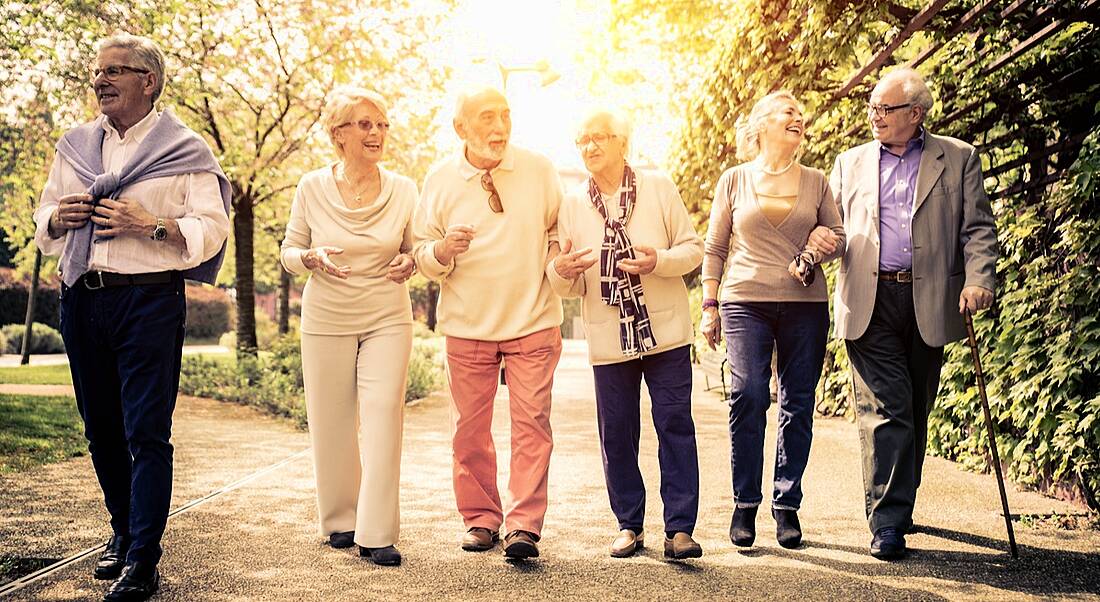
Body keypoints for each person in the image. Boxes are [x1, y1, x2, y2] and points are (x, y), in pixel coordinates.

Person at [32, 33, 231, 601]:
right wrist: (58, 217)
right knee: (101, 431)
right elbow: (44, 215)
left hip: (148, 300)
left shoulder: (187, 150)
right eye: (98, 72)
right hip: (83, 298)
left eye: (116, 70)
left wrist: (152, 226)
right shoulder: (73, 146)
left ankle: (143, 557)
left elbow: (211, 229)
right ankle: (121, 531)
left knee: (146, 432)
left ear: (149, 81)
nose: (102, 80)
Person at [814, 68, 997, 560]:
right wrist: (820, 243)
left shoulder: (957, 158)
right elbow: (830, 227)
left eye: (885, 109)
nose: (874, 116)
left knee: (915, 407)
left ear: (916, 114)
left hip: (929, 298)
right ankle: (888, 522)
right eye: (871, 107)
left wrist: (979, 278)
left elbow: (978, 228)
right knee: (887, 410)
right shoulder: (849, 163)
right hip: (869, 300)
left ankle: (899, 499)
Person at [413, 86, 563, 560]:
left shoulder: (538, 169)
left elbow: (559, 229)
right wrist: (441, 252)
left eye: (505, 115)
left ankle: (523, 525)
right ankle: (480, 518)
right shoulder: (439, 180)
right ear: (461, 128)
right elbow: (419, 250)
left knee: (532, 426)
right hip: (468, 325)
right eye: (486, 118)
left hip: (533, 319)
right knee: (469, 432)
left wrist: (562, 265)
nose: (499, 127)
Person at [549, 110, 704, 560]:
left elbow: (692, 249)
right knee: (616, 431)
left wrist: (659, 260)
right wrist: (561, 271)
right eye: (582, 140)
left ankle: (679, 529)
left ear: (622, 142)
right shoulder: (573, 203)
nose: (590, 146)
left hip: (665, 330)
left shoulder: (658, 186)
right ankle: (628, 524)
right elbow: (568, 281)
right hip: (609, 333)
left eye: (599, 137)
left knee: (674, 423)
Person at [701, 91, 845, 550]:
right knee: (747, 394)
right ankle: (745, 503)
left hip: (805, 304)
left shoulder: (817, 181)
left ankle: (787, 505)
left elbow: (839, 237)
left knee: (798, 402)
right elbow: (715, 247)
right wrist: (709, 305)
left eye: (801, 116)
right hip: (744, 299)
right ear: (761, 125)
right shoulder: (734, 180)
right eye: (789, 113)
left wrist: (823, 242)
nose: (798, 119)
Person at [280, 86, 417, 567]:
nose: (376, 132)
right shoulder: (311, 187)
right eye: (364, 124)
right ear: (339, 135)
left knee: (383, 415)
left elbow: (413, 249)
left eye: (381, 124)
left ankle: (377, 532)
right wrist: (310, 258)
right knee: (332, 420)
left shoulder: (403, 188)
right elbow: (289, 251)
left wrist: (409, 262)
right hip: (326, 317)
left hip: (386, 314)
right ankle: (341, 519)